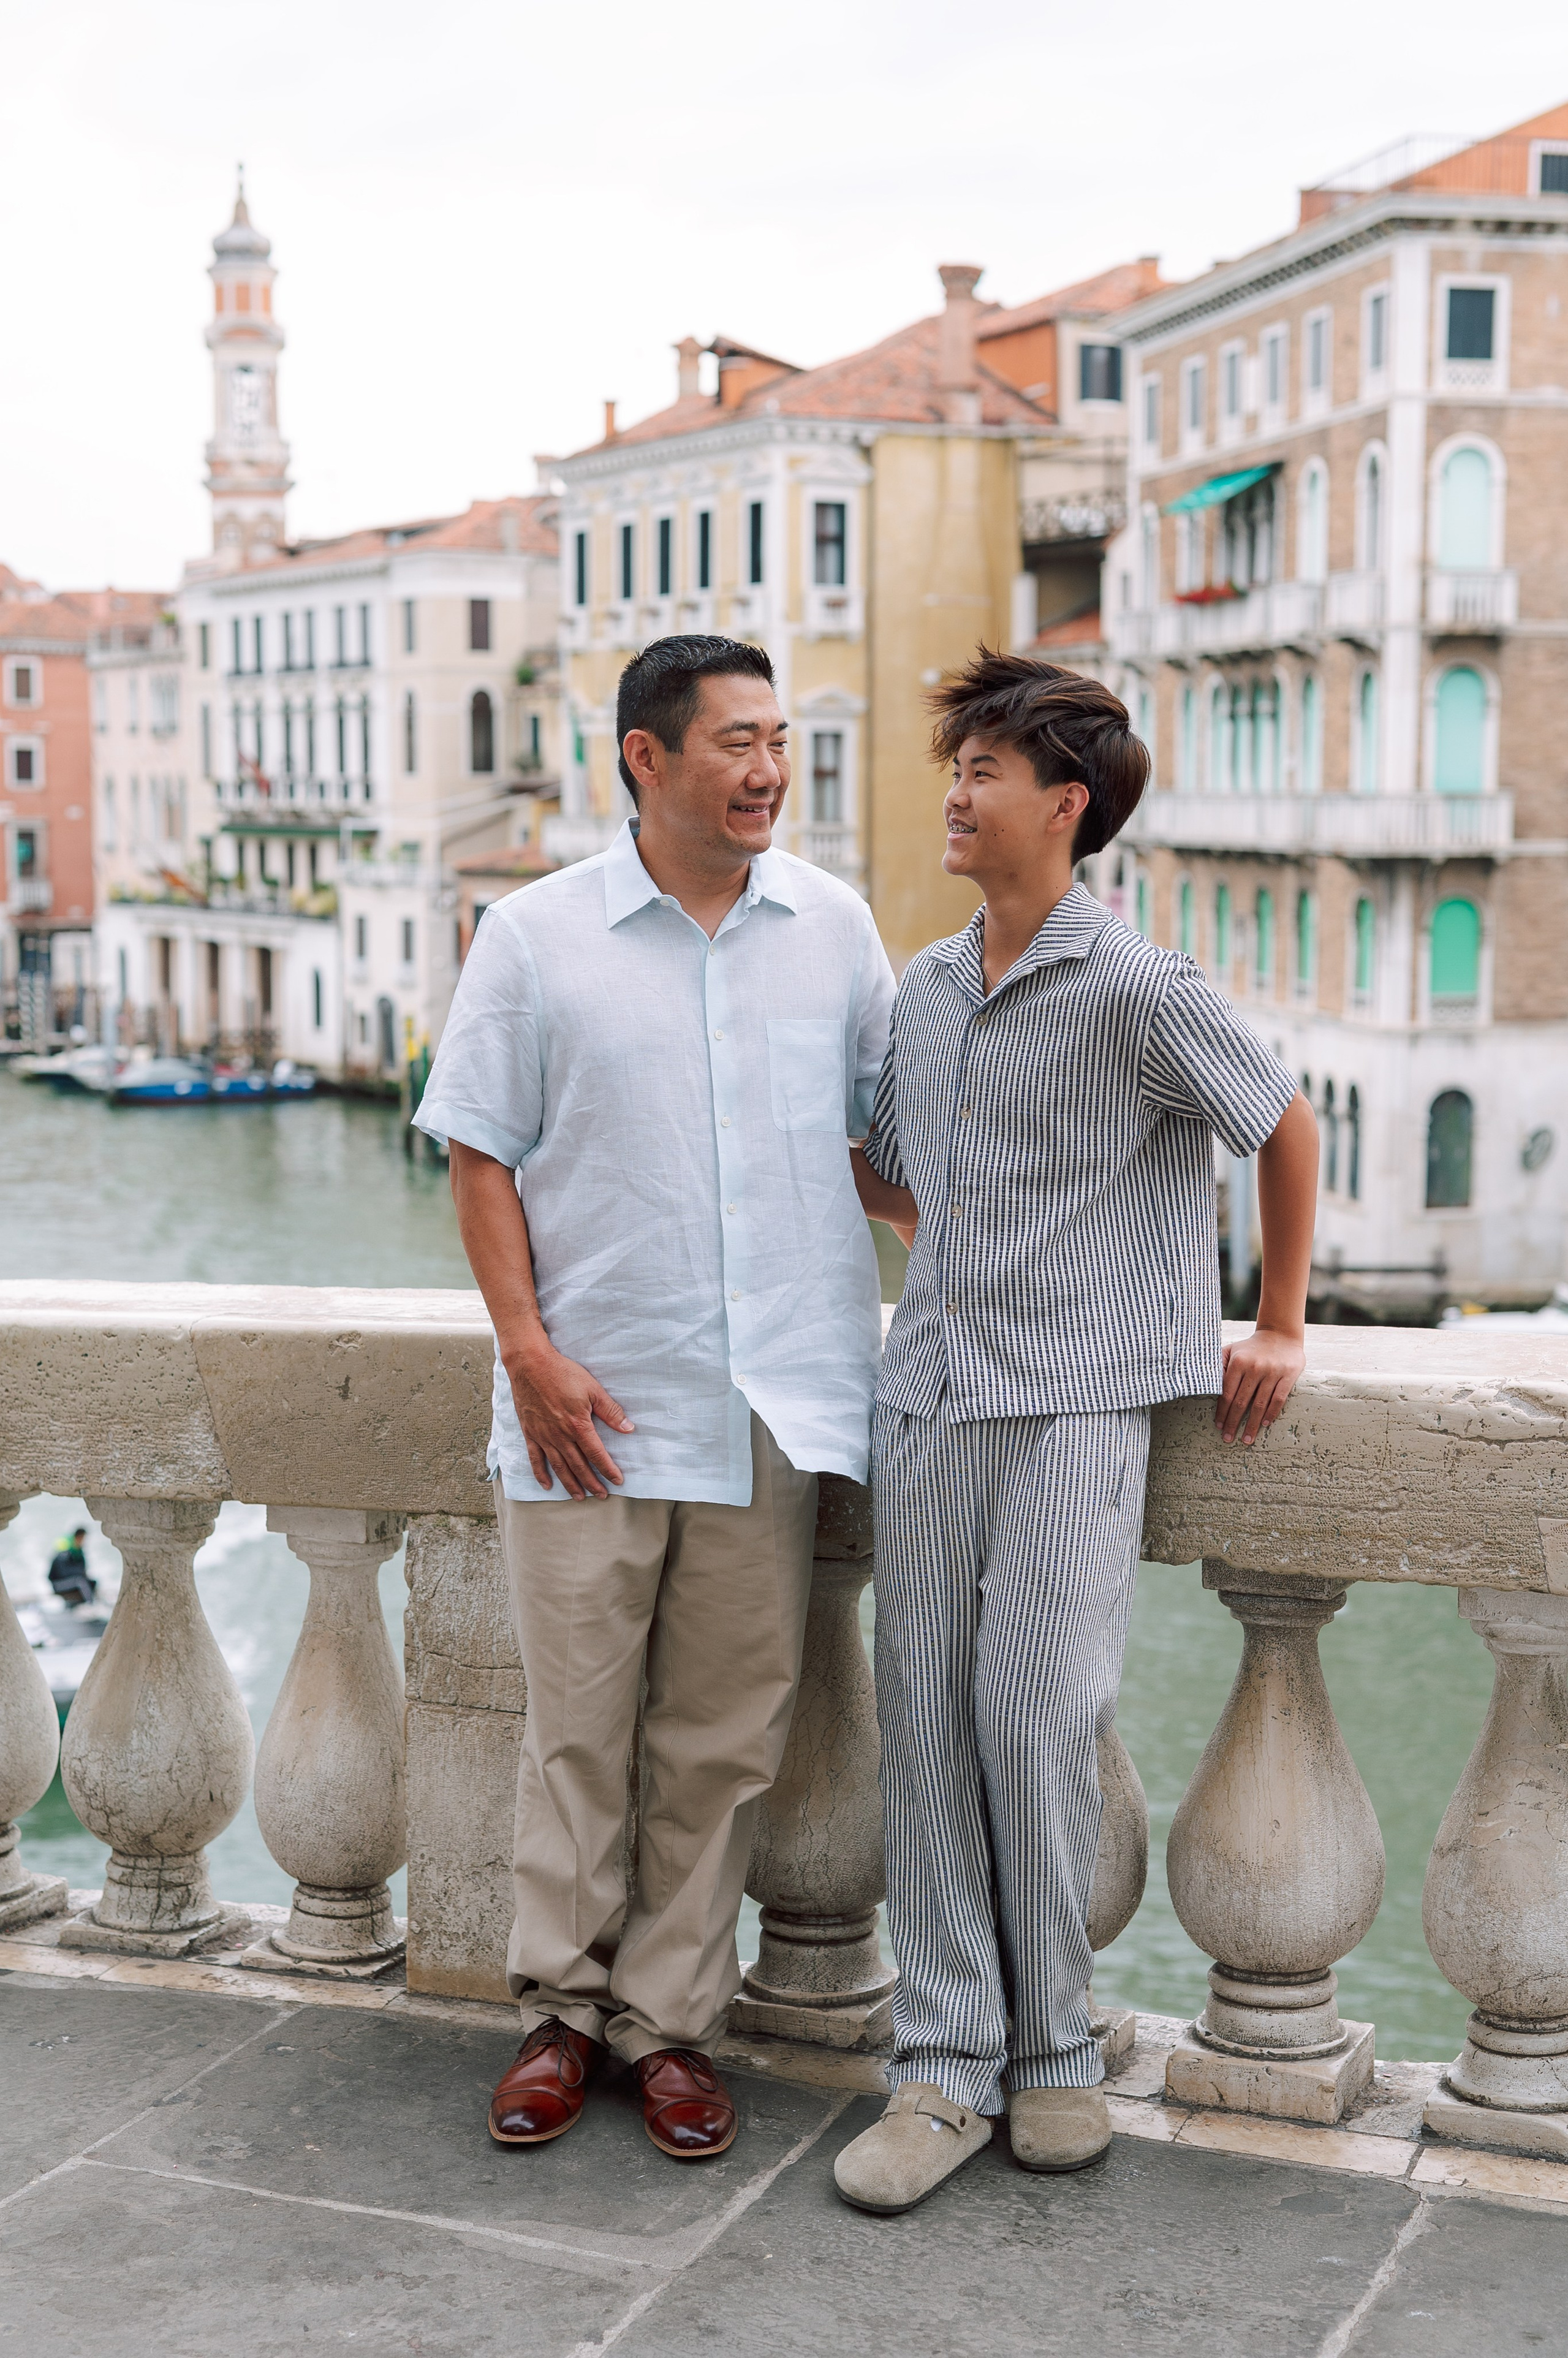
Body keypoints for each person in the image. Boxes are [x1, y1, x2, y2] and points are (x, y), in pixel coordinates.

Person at [837, 650, 1317, 2216]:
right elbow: (887, 1167)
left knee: (1039, 1711)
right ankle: (938, 2059)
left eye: (980, 770)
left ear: (1064, 803)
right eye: (953, 766)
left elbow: (1279, 1118)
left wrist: (1278, 1320)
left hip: (1076, 1405)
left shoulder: (1138, 985)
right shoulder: (917, 985)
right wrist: (972, 1238)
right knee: (918, 1719)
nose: (953, 793)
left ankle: (1048, 2055)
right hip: (928, 1395)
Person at [414, 635, 894, 2164]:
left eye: (777, 742)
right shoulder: (536, 935)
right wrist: (526, 1351)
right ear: (645, 756)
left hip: (771, 1404)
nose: (767, 770)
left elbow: (883, 1145)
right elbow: (477, 1151)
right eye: (735, 743)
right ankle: (560, 2009)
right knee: (577, 1730)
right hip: (588, 1401)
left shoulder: (834, 927)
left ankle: (667, 2027)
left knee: (723, 1738)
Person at [47, 1526, 96, 1607]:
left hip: (71, 1581)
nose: (83, 1542)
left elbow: (82, 1568)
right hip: (58, 1584)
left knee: (92, 1582)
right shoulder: (64, 1552)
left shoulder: (79, 1552)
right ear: (77, 1538)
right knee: (80, 1582)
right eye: (82, 1538)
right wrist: (80, 1573)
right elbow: (63, 1573)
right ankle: (90, 1605)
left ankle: (81, 1604)